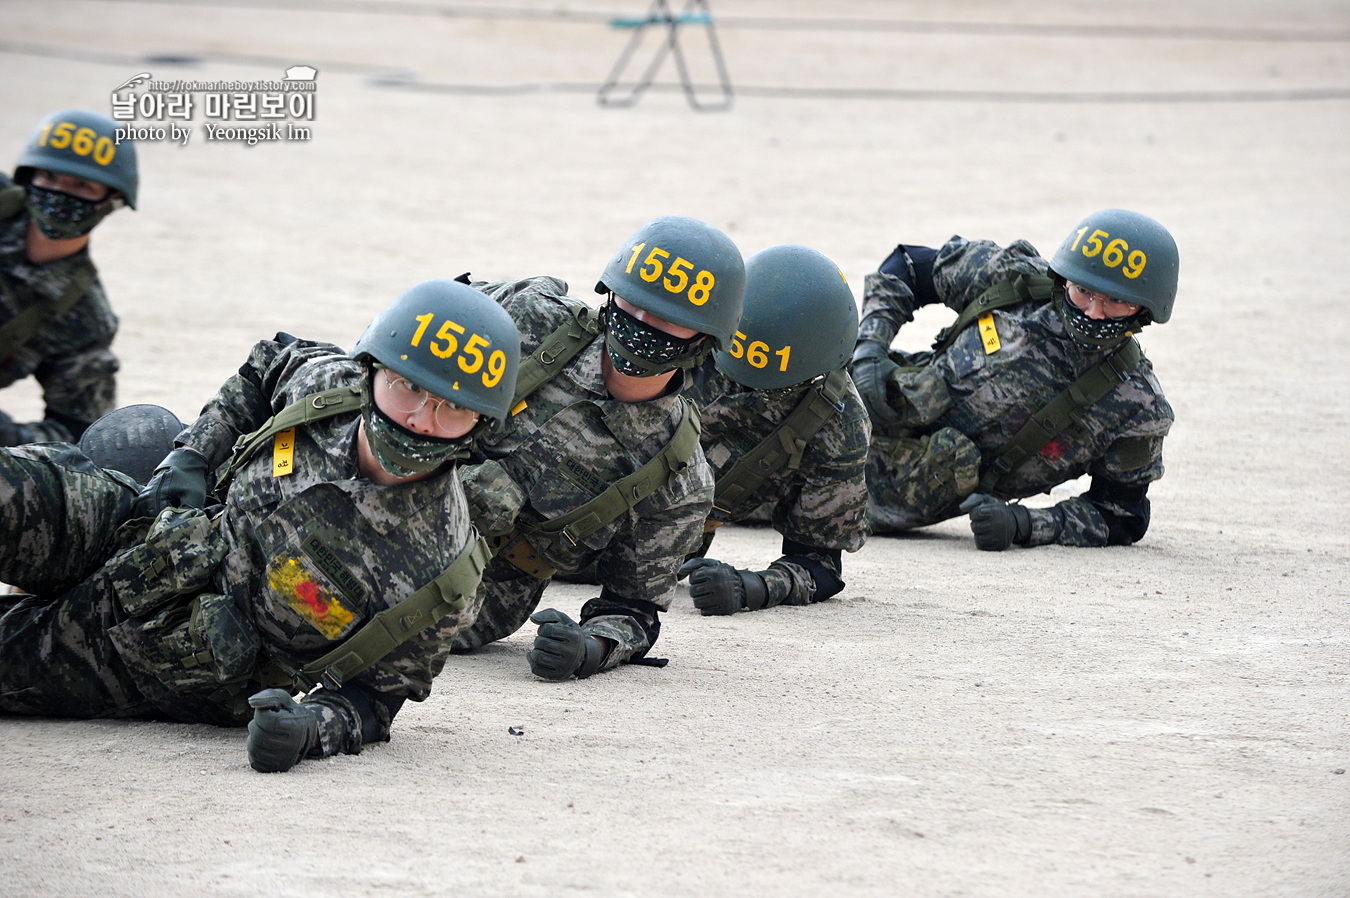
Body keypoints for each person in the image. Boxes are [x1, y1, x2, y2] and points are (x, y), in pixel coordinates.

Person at [0, 278, 520, 773]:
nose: (422, 419)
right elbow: (265, 365)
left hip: (156, 659)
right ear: (372, 371)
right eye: (407, 386)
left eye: (454, 408)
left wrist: (308, 730)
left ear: (479, 426)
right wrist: (194, 452)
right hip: (145, 526)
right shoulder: (326, 388)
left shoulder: (442, 576)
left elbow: (371, 701)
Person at [447, 214, 745, 680]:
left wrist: (588, 649)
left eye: (667, 319)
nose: (642, 324)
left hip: (470, 594)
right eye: (633, 303)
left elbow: (631, 609)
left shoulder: (675, 476)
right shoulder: (532, 318)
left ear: (703, 341)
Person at [852, 209, 1178, 550]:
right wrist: (869, 349)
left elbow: (1121, 515)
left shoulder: (1138, 407)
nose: (1093, 312)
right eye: (1083, 292)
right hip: (865, 408)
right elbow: (909, 266)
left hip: (897, 494)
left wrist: (1026, 524)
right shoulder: (1016, 279)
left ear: (1145, 309)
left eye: (1116, 302)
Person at [671, 244, 871, 615]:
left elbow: (819, 564)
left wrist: (754, 587)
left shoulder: (836, 427)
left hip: (661, 538)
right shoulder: (690, 332)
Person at [0, 109, 137, 445]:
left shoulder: (85, 321)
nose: (60, 193)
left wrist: (10, 435)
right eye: (48, 177)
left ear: (114, 200)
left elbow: (81, 436)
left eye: (82, 185)